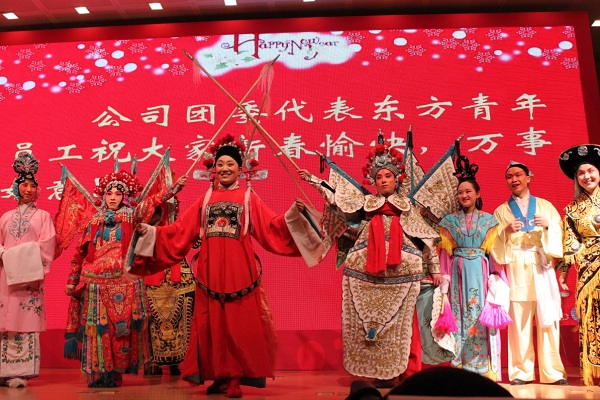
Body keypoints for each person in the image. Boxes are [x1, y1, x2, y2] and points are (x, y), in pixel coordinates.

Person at [130, 134, 323, 398]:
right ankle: (219, 376)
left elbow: (270, 227)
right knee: (213, 324)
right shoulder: (205, 199)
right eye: (220, 164)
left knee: (238, 324)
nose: (224, 168)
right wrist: (152, 232)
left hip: (239, 270)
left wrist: (293, 215)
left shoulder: (248, 197)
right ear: (214, 168)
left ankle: (234, 378)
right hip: (209, 271)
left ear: (240, 168)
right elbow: (180, 230)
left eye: (230, 164)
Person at [299, 131, 440, 388]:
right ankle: (382, 372)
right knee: (373, 320)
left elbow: (427, 237)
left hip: (402, 272)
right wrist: (315, 182)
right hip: (367, 272)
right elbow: (338, 201)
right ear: (374, 181)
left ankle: (409, 374)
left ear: (396, 180)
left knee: (404, 323)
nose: (383, 180)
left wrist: (435, 269)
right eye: (379, 177)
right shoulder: (366, 205)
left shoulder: (406, 206)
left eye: (388, 176)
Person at [62, 167, 186, 387]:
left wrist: (174, 188)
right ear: (103, 196)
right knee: (98, 330)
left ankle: (115, 374)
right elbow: (80, 252)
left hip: (125, 280)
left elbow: (153, 201)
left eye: (118, 194)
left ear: (125, 196)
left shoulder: (132, 215)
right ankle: (101, 374)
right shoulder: (94, 220)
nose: (113, 198)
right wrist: (73, 280)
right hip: (96, 282)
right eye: (109, 194)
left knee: (121, 330)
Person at [490, 161, 567, 385]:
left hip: (540, 264)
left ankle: (553, 372)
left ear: (528, 178)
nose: (514, 179)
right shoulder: (501, 211)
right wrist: (504, 232)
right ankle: (521, 372)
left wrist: (549, 226)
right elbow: (492, 242)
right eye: (509, 176)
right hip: (516, 265)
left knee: (548, 319)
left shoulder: (545, 206)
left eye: (518, 175)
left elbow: (560, 233)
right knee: (519, 320)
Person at [437, 156, 504, 380]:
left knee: (478, 312)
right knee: (458, 313)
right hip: (457, 271)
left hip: (480, 270)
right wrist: (444, 278)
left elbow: (494, 252)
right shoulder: (448, 222)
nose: (464, 195)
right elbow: (445, 254)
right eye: (460, 192)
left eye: (468, 191)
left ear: (477, 194)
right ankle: (459, 362)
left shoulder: (489, 221)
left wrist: (495, 275)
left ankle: (481, 365)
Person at [0, 152, 56, 388]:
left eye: (33, 186)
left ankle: (21, 372)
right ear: (17, 187)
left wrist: (12, 256)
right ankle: (2, 371)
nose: (29, 189)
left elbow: (46, 247)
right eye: (24, 185)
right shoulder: (5, 217)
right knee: (4, 320)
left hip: (28, 280)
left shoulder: (43, 217)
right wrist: (3, 254)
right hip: (5, 278)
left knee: (25, 320)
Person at [558, 144, 600, 386]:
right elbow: (570, 243)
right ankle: (595, 368)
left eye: (591, 171)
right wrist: (563, 272)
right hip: (587, 268)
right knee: (591, 316)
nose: (587, 176)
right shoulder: (572, 209)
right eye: (581, 173)